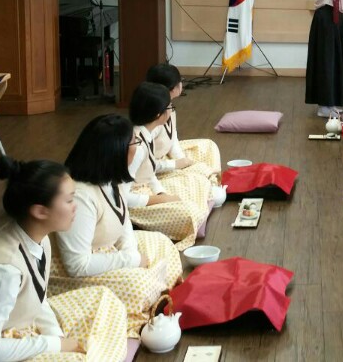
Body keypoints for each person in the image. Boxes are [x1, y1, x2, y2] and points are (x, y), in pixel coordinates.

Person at [0, 156, 127, 361]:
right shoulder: (4, 271)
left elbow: (38, 298)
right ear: (40, 211)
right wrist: (53, 344)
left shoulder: (37, 237)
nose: (76, 206)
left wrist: (56, 336)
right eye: (69, 200)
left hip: (14, 325)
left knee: (106, 299)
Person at [50, 114, 183, 338]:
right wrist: (131, 260)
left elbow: (123, 220)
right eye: (133, 143)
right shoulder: (80, 196)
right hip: (73, 272)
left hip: (107, 250)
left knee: (162, 243)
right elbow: (76, 265)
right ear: (114, 152)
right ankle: (153, 294)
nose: (137, 147)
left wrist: (130, 252)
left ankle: (156, 293)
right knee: (139, 285)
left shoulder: (114, 178)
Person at [128, 82, 211, 250]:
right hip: (136, 203)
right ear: (159, 114)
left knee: (198, 186)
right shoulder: (136, 146)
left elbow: (149, 173)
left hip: (147, 193)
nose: (171, 109)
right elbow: (122, 197)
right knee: (189, 213)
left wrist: (161, 192)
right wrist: (160, 198)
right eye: (169, 107)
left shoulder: (145, 135)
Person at [145, 63, 222, 179]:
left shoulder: (168, 107)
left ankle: (209, 179)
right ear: (171, 88)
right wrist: (175, 164)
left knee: (209, 146)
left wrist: (181, 160)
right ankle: (208, 181)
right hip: (155, 170)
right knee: (195, 179)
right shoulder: (151, 119)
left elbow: (172, 138)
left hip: (167, 156)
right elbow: (145, 164)